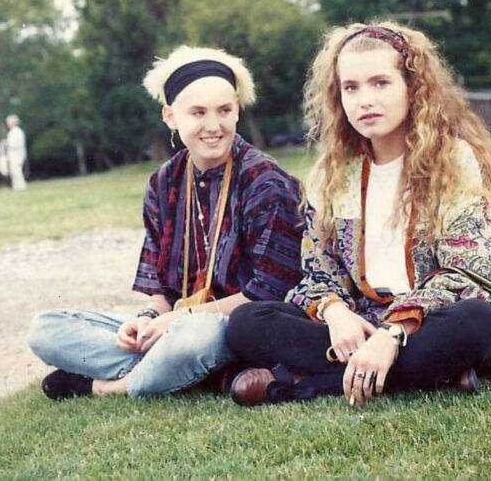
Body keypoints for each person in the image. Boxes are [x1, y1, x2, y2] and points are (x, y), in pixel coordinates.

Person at [225, 22, 491, 407]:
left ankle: (298, 383)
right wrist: (336, 315)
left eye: (380, 83)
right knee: (247, 323)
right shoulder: (335, 173)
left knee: (478, 323)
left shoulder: (454, 161)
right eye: (351, 87)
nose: (364, 99)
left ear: (413, 88)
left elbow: (469, 271)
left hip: (437, 317)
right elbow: (319, 271)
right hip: (364, 319)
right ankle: (434, 374)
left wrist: (394, 332)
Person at [27, 46, 305, 400]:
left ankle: (107, 387)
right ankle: (187, 372)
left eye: (224, 110)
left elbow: (270, 292)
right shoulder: (163, 183)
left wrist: (179, 320)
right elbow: (161, 290)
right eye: (198, 113)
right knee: (45, 329)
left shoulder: (264, 180)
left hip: (237, 327)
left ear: (237, 110)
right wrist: (145, 320)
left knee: (197, 337)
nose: (213, 126)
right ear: (171, 117)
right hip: (176, 329)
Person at [5, 114, 27, 190]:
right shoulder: (13, 132)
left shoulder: (17, 132)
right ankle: (16, 186)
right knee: (13, 171)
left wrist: (7, 144)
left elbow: (16, 144)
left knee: (16, 171)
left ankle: (21, 186)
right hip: (13, 155)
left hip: (17, 155)